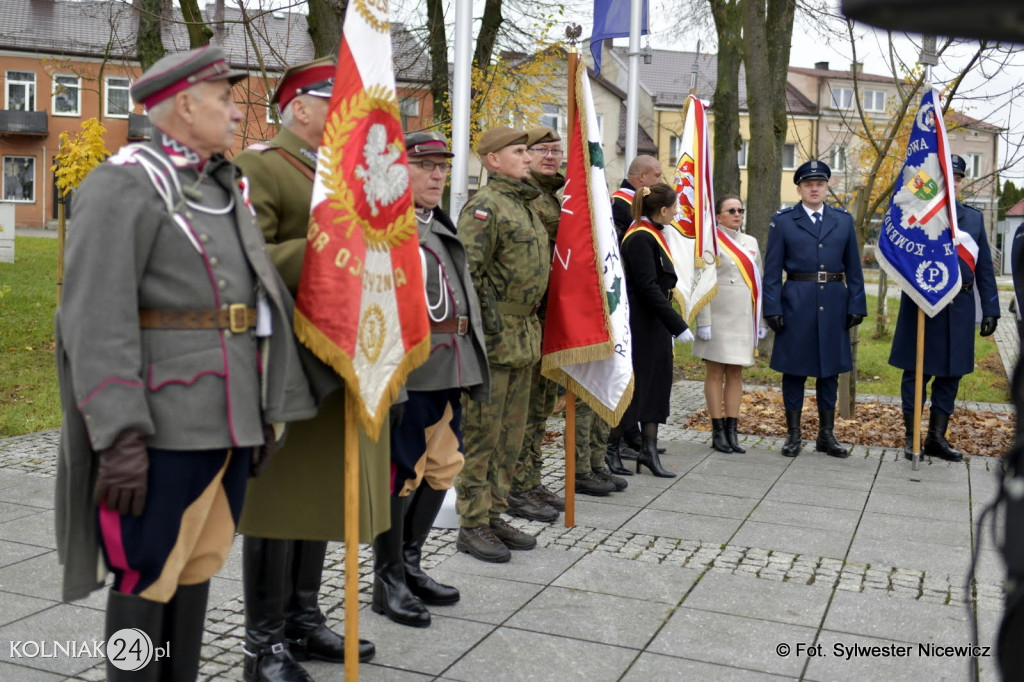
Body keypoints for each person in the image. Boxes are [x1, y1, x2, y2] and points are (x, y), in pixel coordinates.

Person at [53, 46, 318, 682]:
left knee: (195, 567)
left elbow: (254, 304)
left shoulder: (219, 186)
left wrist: (262, 413)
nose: (235, 113)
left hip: (224, 419)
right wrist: (117, 435)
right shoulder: (123, 184)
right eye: (224, 99)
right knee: (144, 577)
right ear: (184, 105)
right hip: (159, 425)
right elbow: (95, 320)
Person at [233, 58, 386, 679]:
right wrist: (329, 237)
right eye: (337, 101)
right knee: (278, 501)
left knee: (322, 489)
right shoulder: (262, 167)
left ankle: (302, 616)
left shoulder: (347, 175)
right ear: (301, 107)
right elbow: (246, 261)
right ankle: (261, 641)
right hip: (287, 358)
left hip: (344, 355)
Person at [368, 131, 491, 627]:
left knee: (443, 464)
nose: (439, 175)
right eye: (427, 167)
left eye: (443, 167)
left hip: (450, 363)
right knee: (402, 473)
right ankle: (387, 578)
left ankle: (411, 565)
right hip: (414, 369)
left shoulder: (434, 223)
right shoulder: (390, 228)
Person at [454, 127, 550, 563]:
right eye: (517, 152)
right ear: (493, 160)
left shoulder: (524, 206)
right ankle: (472, 522)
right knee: (482, 435)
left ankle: (493, 510)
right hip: (495, 338)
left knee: (510, 437)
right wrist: (487, 331)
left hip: (524, 335)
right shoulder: (486, 207)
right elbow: (466, 276)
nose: (527, 158)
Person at [888, 154, 999, 462]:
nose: (954, 183)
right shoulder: (919, 213)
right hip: (924, 304)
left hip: (959, 307)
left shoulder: (973, 219)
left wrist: (990, 308)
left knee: (951, 376)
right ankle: (913, 437)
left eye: (959, 178)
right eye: (948, 177)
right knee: (916, 374)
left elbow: (984, 267)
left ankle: (937, 437)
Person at [762, 160, 866, 458]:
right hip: (796, 302)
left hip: (834, 303)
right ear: (799, 189)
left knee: (829, 371)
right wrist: (772, 308)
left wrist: (856, 302)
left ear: (827, 186)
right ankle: (793, 435)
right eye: (809, 184)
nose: (815, 188)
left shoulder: (843, 220)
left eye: (820, 183)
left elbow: (854, 269)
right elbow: (772, 271)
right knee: (794, 372)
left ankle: (826, 435)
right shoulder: (783, 221)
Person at [608, 183, 693, 478]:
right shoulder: (640, 237)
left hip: (654, 320)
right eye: (675, 207)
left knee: (655, 385)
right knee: (636, 387)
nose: (678, 211)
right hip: (642, 321)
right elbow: (646, 287)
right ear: (663, 210)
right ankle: (612, 448)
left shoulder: (652, 232)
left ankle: (649, 450)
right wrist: (677, 324)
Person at [508, 126, 570, 515]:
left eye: (556, 150)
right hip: (524, 319)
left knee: (541, 406)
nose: (551, 156)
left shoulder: (554, 197)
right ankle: (516, 484)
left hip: (550, 320)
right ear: (525, 155)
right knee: (524, 409)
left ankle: (530, 478)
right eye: (542, 150)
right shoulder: (527, 198)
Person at [693, 195, 765, 453]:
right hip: (717, 316)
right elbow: (702, 281)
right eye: (731, 210)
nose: (737, 214)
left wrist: (761, 318)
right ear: (719, 215)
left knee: (736, 372)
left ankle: (733, 431)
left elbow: (759, 282)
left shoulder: (751, 242)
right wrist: (703, 321)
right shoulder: (709, 240)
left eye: (740, 210)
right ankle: (718, 430)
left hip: (743, 316)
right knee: (715, 372)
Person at [609, 154, 665, 461]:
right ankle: (617, 439)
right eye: (656, 175)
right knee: (628, 370)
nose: (660, 180)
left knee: (639, 372)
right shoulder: (621, 206)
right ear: (640, 178)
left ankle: (630, 435)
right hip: (628, 297)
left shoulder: (637, 207)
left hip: (640, 302)